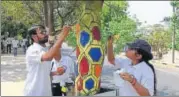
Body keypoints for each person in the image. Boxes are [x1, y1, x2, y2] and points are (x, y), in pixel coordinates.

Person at [23, 25, 71, 96]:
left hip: (46, 92)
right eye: (42, 32)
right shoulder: (32, 49)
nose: (45, 34)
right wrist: (62, 36)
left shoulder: (45, 49)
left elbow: (46, 72)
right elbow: (48, 57)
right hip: (34, 92)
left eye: (45, 32)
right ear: (34, 37)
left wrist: (56, 73)